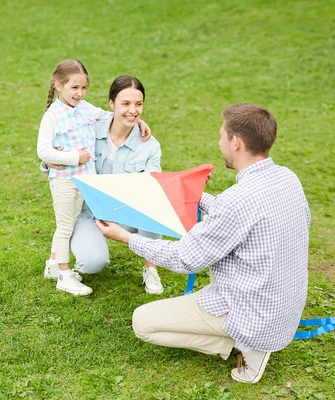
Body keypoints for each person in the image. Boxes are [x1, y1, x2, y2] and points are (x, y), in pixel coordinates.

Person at [96, 103, 311, 384]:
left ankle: (245, 345)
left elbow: (186, 258)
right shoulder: (287, 178)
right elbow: (239, 214)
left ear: (236, 142)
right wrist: (195, 194)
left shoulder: (238, 200)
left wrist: (127, 237)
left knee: (143, 322)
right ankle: (248, 341)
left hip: (250, 310)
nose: (219, 142)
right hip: (284, 307)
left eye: (222, 136)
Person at [37, 60, 151, 296]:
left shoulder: (85, 108)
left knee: (69, 222)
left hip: (83, 182)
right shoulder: (53, 116)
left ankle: (52, 266)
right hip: (65, 181)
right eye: (74, 88)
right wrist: (74, 157)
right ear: (59, 86)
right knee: (65, 227)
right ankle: (64, 275)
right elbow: (43, 151)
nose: (79, 93)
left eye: (84, 88)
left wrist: (138, 120)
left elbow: (110, 115)